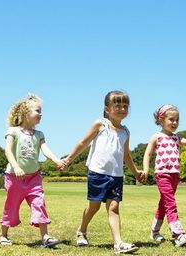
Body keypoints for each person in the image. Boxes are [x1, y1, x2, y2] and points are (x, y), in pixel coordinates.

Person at [62, 90, 142, 254]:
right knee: (94, 207)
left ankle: (118, 243)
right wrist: (68, 160)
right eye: (117, 105)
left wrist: (135, 172)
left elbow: (126, 155)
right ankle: (81, 231)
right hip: (98, 173)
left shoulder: (126, 131)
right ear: (107, 109)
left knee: (113, 207)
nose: (122, 109)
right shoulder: (101, 124)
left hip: (117, 175)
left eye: (125, 106)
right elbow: (83, 143)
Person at [0, 93, 65, 248]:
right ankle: (3, 235)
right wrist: (15, 166)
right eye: (37, 111)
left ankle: (45, 237)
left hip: (34, 178)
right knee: (11, 206)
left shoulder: (39, 134)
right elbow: (7, 150)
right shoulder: (13, 131)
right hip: (14, 178)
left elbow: (45, 149)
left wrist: (56, 160)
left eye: (41, 111)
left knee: (39, 203)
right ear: (24, 113)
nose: (40, 114)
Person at [142, 104, 186, 247]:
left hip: (175, 175)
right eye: (171, 119)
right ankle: (178, 234)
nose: (175, 123)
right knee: (171, 203)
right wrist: (146, 170)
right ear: (161, 120)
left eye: (177, 120)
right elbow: (147, 153)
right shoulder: (157, 137)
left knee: (164, 204)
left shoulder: (176, 138)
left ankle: (154, 231)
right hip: (162, 174)